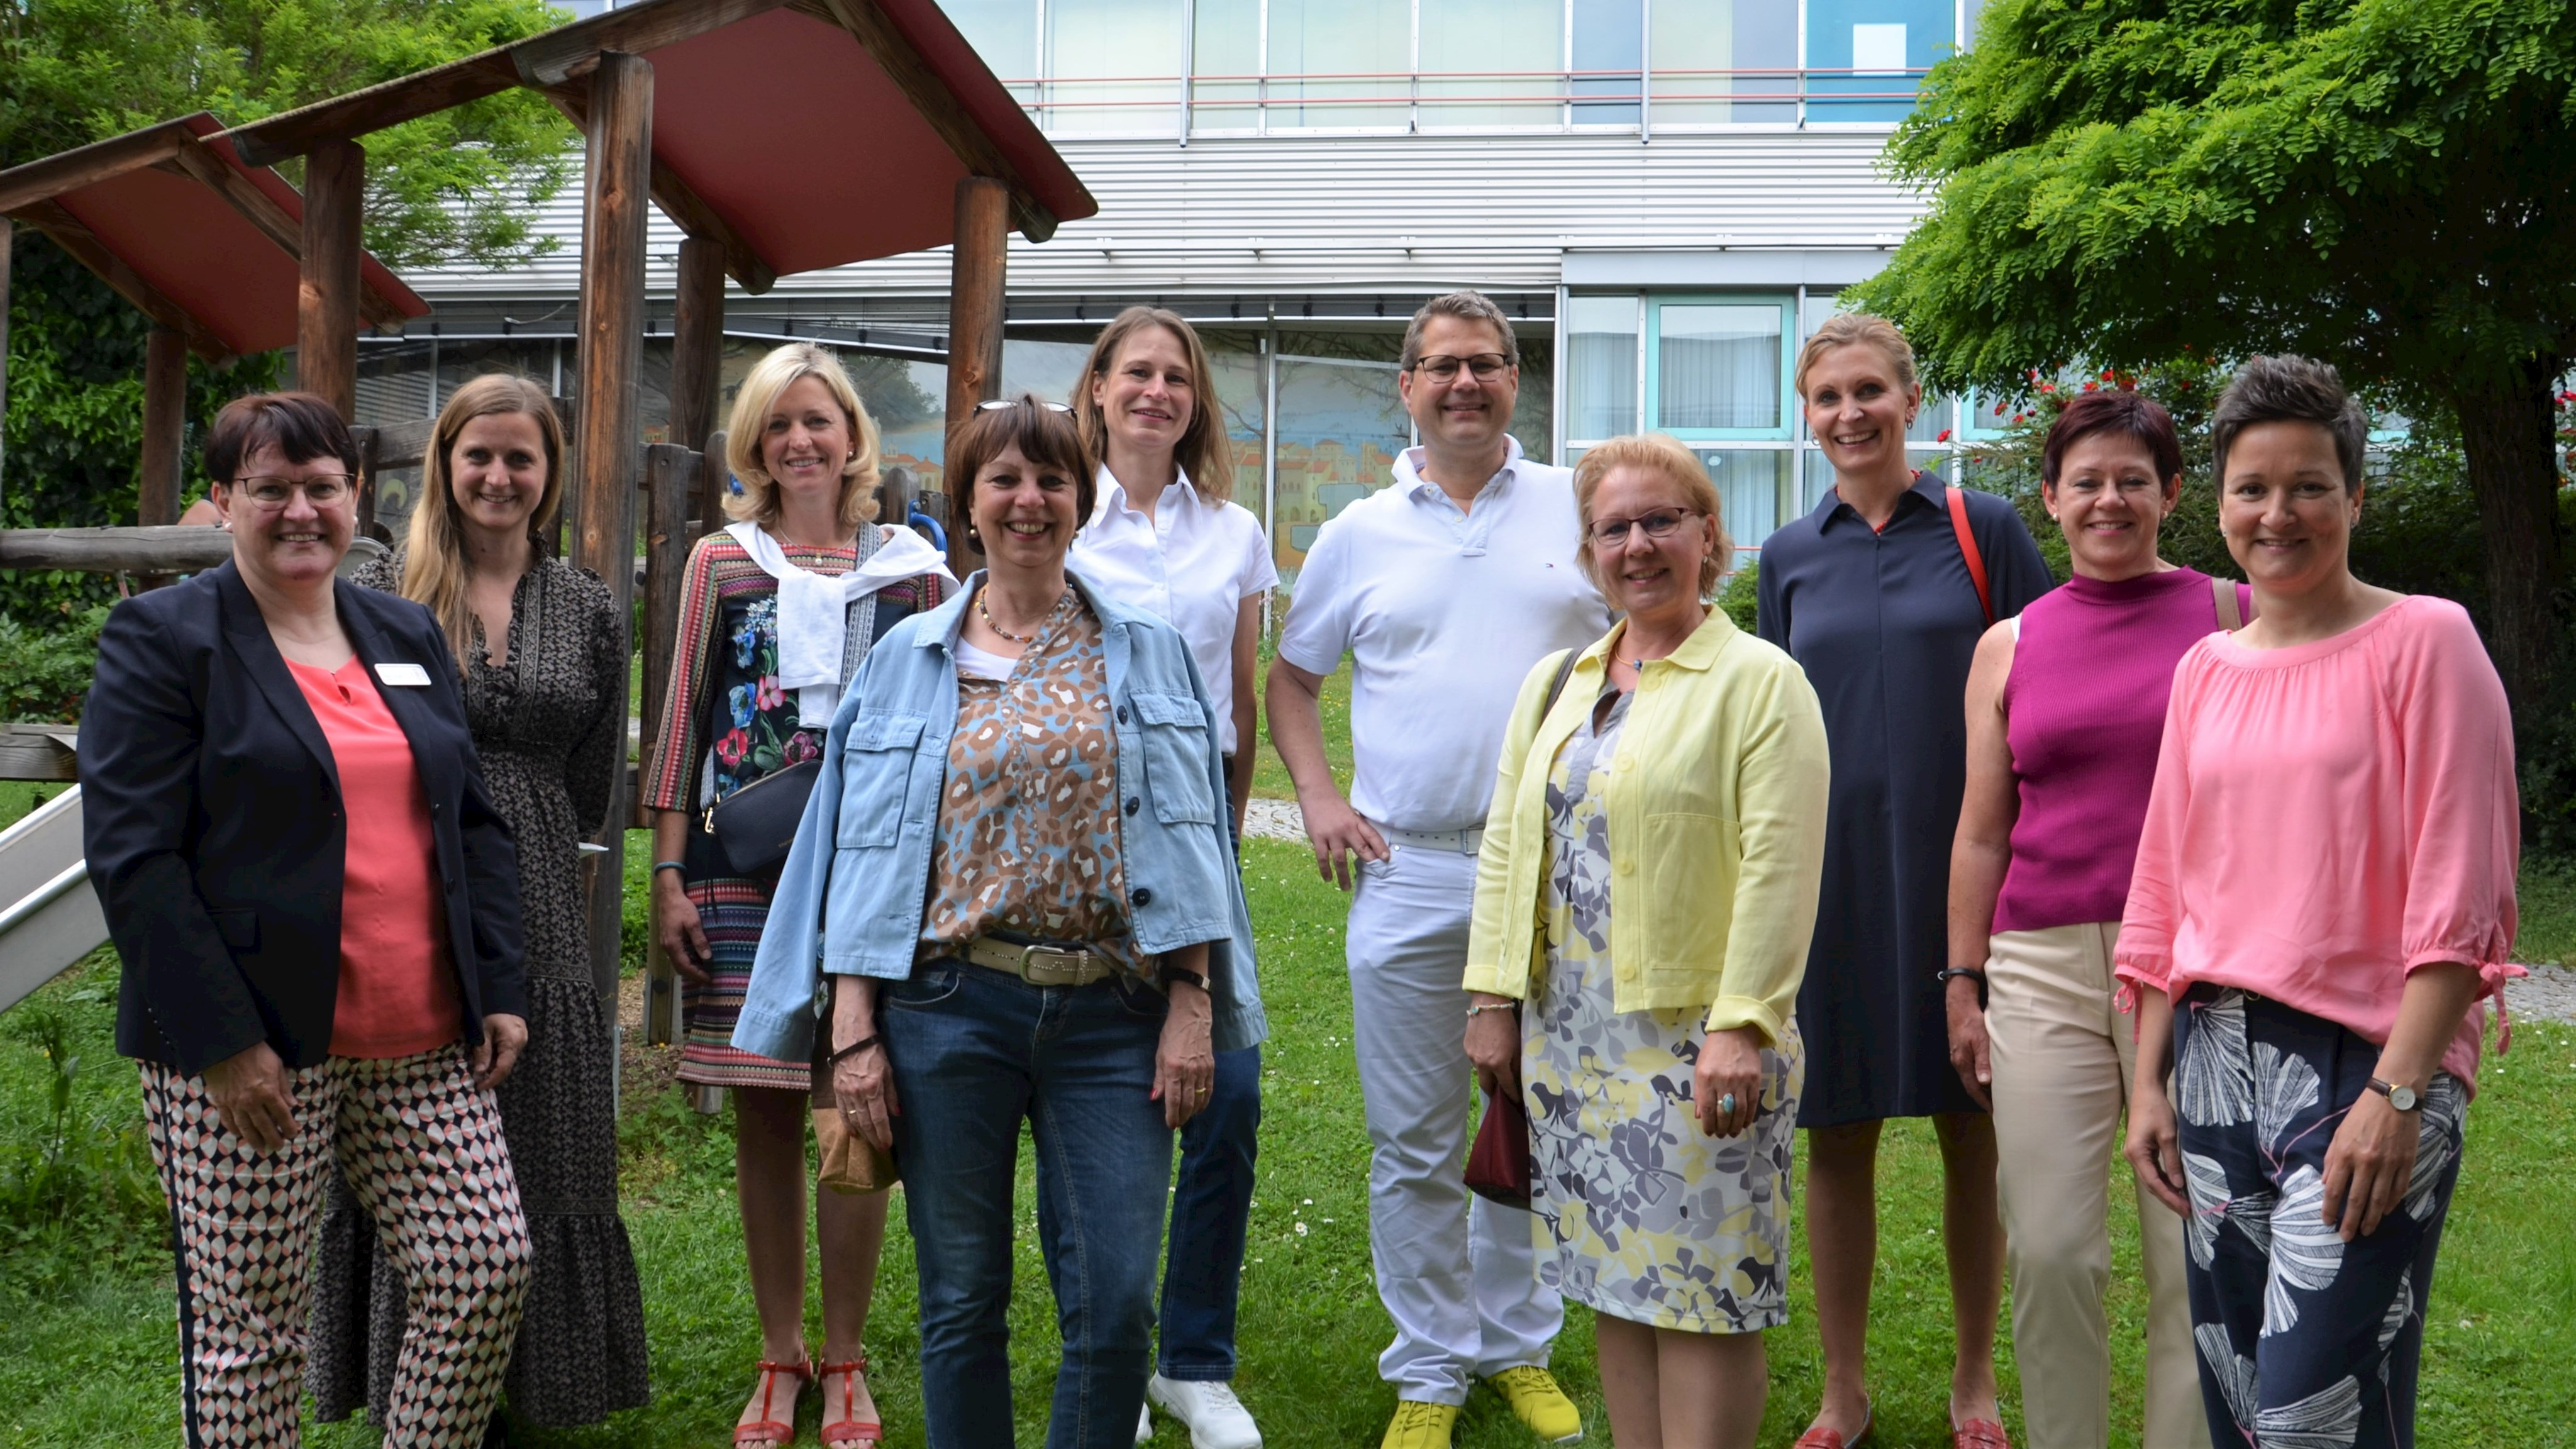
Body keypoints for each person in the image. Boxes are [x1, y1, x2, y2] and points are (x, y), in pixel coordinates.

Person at [732, 396, 1267, 1449]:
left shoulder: (1148, 652)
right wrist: (853, 1032)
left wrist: (1193, 1000)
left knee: (1115, 1304)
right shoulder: (907, 659)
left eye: (1053, 481)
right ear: (968, 504)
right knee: (962, 1300)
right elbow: (857, 857)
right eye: (1005, 481)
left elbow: (1190, 836)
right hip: (947, 1009)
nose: (1030, 501)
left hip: (1114, 1012)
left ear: (1081, 500)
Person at [82, 391, 533, 1447]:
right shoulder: (164, 639)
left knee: (485, 1267)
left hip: (419, 1032)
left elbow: (468, 820)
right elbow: (135, 859)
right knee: (253, 1333)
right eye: (270, 489)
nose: (299, 511)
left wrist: (500, 986)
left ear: (355, 497)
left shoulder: (402, 628)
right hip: (255, 1050)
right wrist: (225, 1046)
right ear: (225, 500)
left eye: (320, 487)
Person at [2116, 356, 2518, 1449]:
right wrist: (2150, 1081)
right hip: (2211, 1061)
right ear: (2221, 502)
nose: (2277, 514)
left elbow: (2462, 890)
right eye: (2253, 488)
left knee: (2308, 1412)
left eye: (2308, 487)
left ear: (2354, 498)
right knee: (2241, 1402)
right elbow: (2166, 888)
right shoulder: (2205, 667)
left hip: (2368, 1067)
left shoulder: (2427, 642)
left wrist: (2401, 1090)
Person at [1268, 290, 1609, 1449]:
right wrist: (1319, 796)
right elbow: (1293, 679)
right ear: (1405, 387)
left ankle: (1518, 1347)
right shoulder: (1361, 531)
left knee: (1535, 1111)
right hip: (1412, 869)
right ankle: (1429, 1365)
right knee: (1413, 1136)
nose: (1466, 382)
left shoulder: (1578, 503)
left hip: (1562, 872)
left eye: (1489, 363)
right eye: (1442, 366)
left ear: (1519, 380)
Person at [1463, 435, 1829, 1449]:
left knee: (1703, 1293)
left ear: (1709, 536)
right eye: (1613, 527)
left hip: (1697, 1047)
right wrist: (1494, 1001)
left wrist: (1743, 1026)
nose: (1638, 545)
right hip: (1573, 1043)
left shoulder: (1761, 681)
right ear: (1588, 553)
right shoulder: (1562, 682)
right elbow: (1508, 845)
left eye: (1662, 520)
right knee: (1614, 1281)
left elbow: (1780, 866)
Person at [308, 374, 648, 1433]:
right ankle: (414, 1374)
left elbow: (594, 774)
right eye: (478, 456)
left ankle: (529, 1383)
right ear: (445, 466)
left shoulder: (589, 603)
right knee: (412, 1115)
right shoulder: (383, 591)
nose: (499, 477)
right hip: (403, 871)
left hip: (541, 872)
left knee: (540, 1112)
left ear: (548, 478)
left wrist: (534, 824)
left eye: (522, 459)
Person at [643, 343, 954, 1449]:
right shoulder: (722, 563)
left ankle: (849, 1359)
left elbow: (949, 725)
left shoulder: (916, 569)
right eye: (779, 425)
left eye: (819, 421)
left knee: (855, 1107)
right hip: (744, 870)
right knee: (767, 1111)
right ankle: (780, 1357)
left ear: (853, 435)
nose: (801, 442)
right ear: (756, 444)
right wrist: (668, 874)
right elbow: (684, 721)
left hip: (872, 874)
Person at [1753, 313, 2053, 1449]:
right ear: (1808, 412)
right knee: (1836, 1131)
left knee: (1971, 1126)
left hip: (1964, 875)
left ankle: (1975, 1380)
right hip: (1828, 882)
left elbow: (2044, 685)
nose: (1850, 415)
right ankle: (1845, 1388)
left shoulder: (1984, 530)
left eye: (1869, 390)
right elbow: (1774, 723)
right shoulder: (1789, 555)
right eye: (1828, 397)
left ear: (1912, 399)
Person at [1944, 392, 2229, 1449]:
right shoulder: (2010, 644)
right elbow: (1981, 832)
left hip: (2198, 971)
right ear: (2054, 501)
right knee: (2055, 1244)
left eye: (2134, 479)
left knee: (2188, 1244)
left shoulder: (2234, 617)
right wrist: (1962, 983)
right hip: (2041, 962)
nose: (2110, 499)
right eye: (2088, 481)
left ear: (2171, 495)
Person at [1066, 306, 1277, 1449]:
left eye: (1177, 379)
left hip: (1198, 844)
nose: (1156, 392)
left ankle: (1193, 1365)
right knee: (1098, 1097)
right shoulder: (1056, 513)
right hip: (1084, 846)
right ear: (1095, 388)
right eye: (1136, 373)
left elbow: (1237, 712)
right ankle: (1109, 1353)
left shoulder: (1234, 532)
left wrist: (1228, 853)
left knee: (1229, 1099)